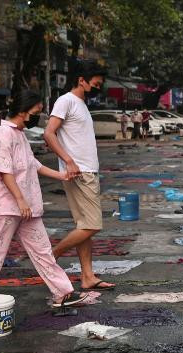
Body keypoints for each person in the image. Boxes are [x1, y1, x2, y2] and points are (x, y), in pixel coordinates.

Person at [0, 91, 87, 311]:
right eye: (35, 112)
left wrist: (62, 176)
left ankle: (63, 292)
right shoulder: (2, 134)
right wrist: (20, 200)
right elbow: (4, 171)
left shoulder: (19, 134)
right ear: (22, 112)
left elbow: (33, 165)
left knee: (43, 250)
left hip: (27, 208)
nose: (37, 116)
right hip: (5, 206)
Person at [44, 61, 116, 291]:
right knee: (92, 225)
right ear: (81, 80)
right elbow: (49, 133)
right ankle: (50, 257)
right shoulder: (66, 101)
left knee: (85, 225)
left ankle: (88, 276)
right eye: (95, 83)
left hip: (87, 171)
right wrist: (69, 161)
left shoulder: (81, 104)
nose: (98, 87)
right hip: (79, 172)